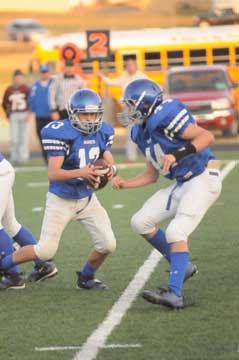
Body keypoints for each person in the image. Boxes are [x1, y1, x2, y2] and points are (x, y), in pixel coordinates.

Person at [113, 79, 222, 309]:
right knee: (140, 222)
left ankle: (175, 294)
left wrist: (178, 155)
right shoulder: (140, 132)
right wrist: (126, 184)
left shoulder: (166, 114)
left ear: (146, 103)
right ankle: (182, 264)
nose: (128, 110)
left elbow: (206, 137)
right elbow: (151, 175)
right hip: (182, 183)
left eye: (131, 104)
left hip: (203, 177)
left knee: (176, 231)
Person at [0, 89, 117, 290]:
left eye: (93, 114)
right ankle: (4, 265)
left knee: (108, 244)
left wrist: (111, 170)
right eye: (84, 114)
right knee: (45, 251)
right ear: (72, 113)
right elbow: (53, 173)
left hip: (87, 200)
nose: (89, 119)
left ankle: (87, 278)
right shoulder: (61, 132)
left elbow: (108, 158)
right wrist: (82, 172)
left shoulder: (103, 131)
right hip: (61, 199)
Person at [0, 153, 57, 289]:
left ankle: (13, 276)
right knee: (10, 225)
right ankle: (43, 265)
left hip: (1, 174)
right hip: (3, 171)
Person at [99, 57, 148, 163]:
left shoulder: (142, 77)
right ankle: (131, 157)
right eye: (127, 65)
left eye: (131, 65)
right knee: (130, 133)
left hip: (141, 107)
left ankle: (150, 155)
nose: (129, 67)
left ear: (135, 65)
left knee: (146, 132)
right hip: (129, 108)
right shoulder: (124, 77)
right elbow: (110, 82)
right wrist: (101, 76)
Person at [2, 69, 30, 164]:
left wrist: (29, 113)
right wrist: (8, 114)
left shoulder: (26, 89)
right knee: (14, 137)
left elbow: (30, 102)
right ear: (14, 78)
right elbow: (4, 102)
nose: (19, 79)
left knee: (23, 137)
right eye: (17, 77)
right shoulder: (9, 89)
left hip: (24, 113)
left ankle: (23, 157)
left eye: (21, 77)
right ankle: (14, 156)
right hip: (13, 114)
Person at [28, 64, 53, 163]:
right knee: (42, 137)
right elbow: (31, 99)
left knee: (52, 137)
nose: (44, 74)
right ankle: (45, 157)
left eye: (46, 72)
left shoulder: (53, 83)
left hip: (51, 115)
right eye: (42, 72)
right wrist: (33, 110)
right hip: (40, 116)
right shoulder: (35, 85)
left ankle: (53, 157)